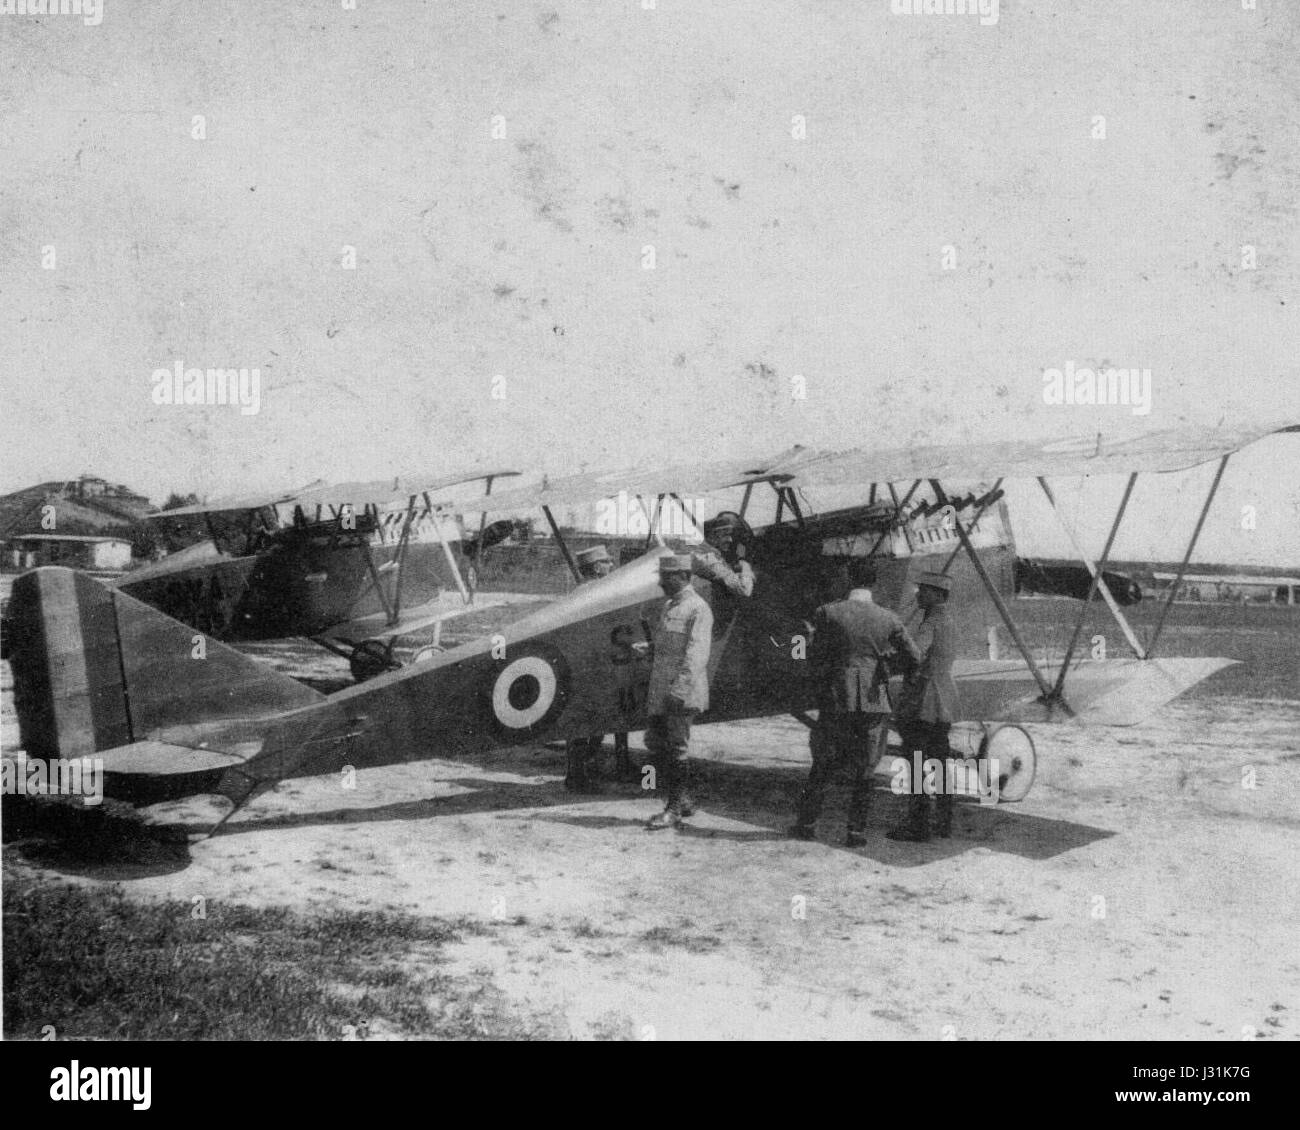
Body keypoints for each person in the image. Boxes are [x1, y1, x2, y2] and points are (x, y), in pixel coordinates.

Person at [791, 559, 920, 846]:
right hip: (874, 699)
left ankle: (807, 824)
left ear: (848, 579)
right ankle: (855, 832)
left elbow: (809, 653)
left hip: (837, 697)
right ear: (873, 583)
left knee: (822, 763)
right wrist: (885, 667)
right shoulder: (888, 618)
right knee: (865, 769)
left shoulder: (827, 612)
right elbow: (914, 657)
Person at [889, 570, 961, 842]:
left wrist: (892, 659)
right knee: (940, 761)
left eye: (924, 591)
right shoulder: (951, 621)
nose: (918, 594)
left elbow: (916, 654)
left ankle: (918, 826)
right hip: (945, 699)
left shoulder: (931, 622)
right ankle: (943, 822)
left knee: (916, 760)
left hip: (924, 700)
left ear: (937, 594)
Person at [644, 554, 713, 829]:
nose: (660, 582)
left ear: (684, 576)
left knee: (675, 748)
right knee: (657, 743)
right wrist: (648, 649)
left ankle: (672, 809)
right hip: (663, 689)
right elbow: (669, 646)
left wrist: (679, 691)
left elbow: (697, 655)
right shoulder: (671, 606)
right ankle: (682, 800)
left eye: (666, 577)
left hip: (680, 692)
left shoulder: (698, 608)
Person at [565, 545, 617, 792]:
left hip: (586, 666)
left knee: (589, 725)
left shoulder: (580, 592)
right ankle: (577, 775)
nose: (611, 566)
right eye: (607, 562)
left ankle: (580, 770)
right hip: (589, 668)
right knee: (588, 724)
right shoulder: (594, 593)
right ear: (597, 567)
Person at [692, 511, 755, 599]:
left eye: (731, 535)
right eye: (725, 535)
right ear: (711, 536)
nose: (730, 540)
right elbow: (744, 590)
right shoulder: (707, 559)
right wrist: (745, 565)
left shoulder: (706, 553)